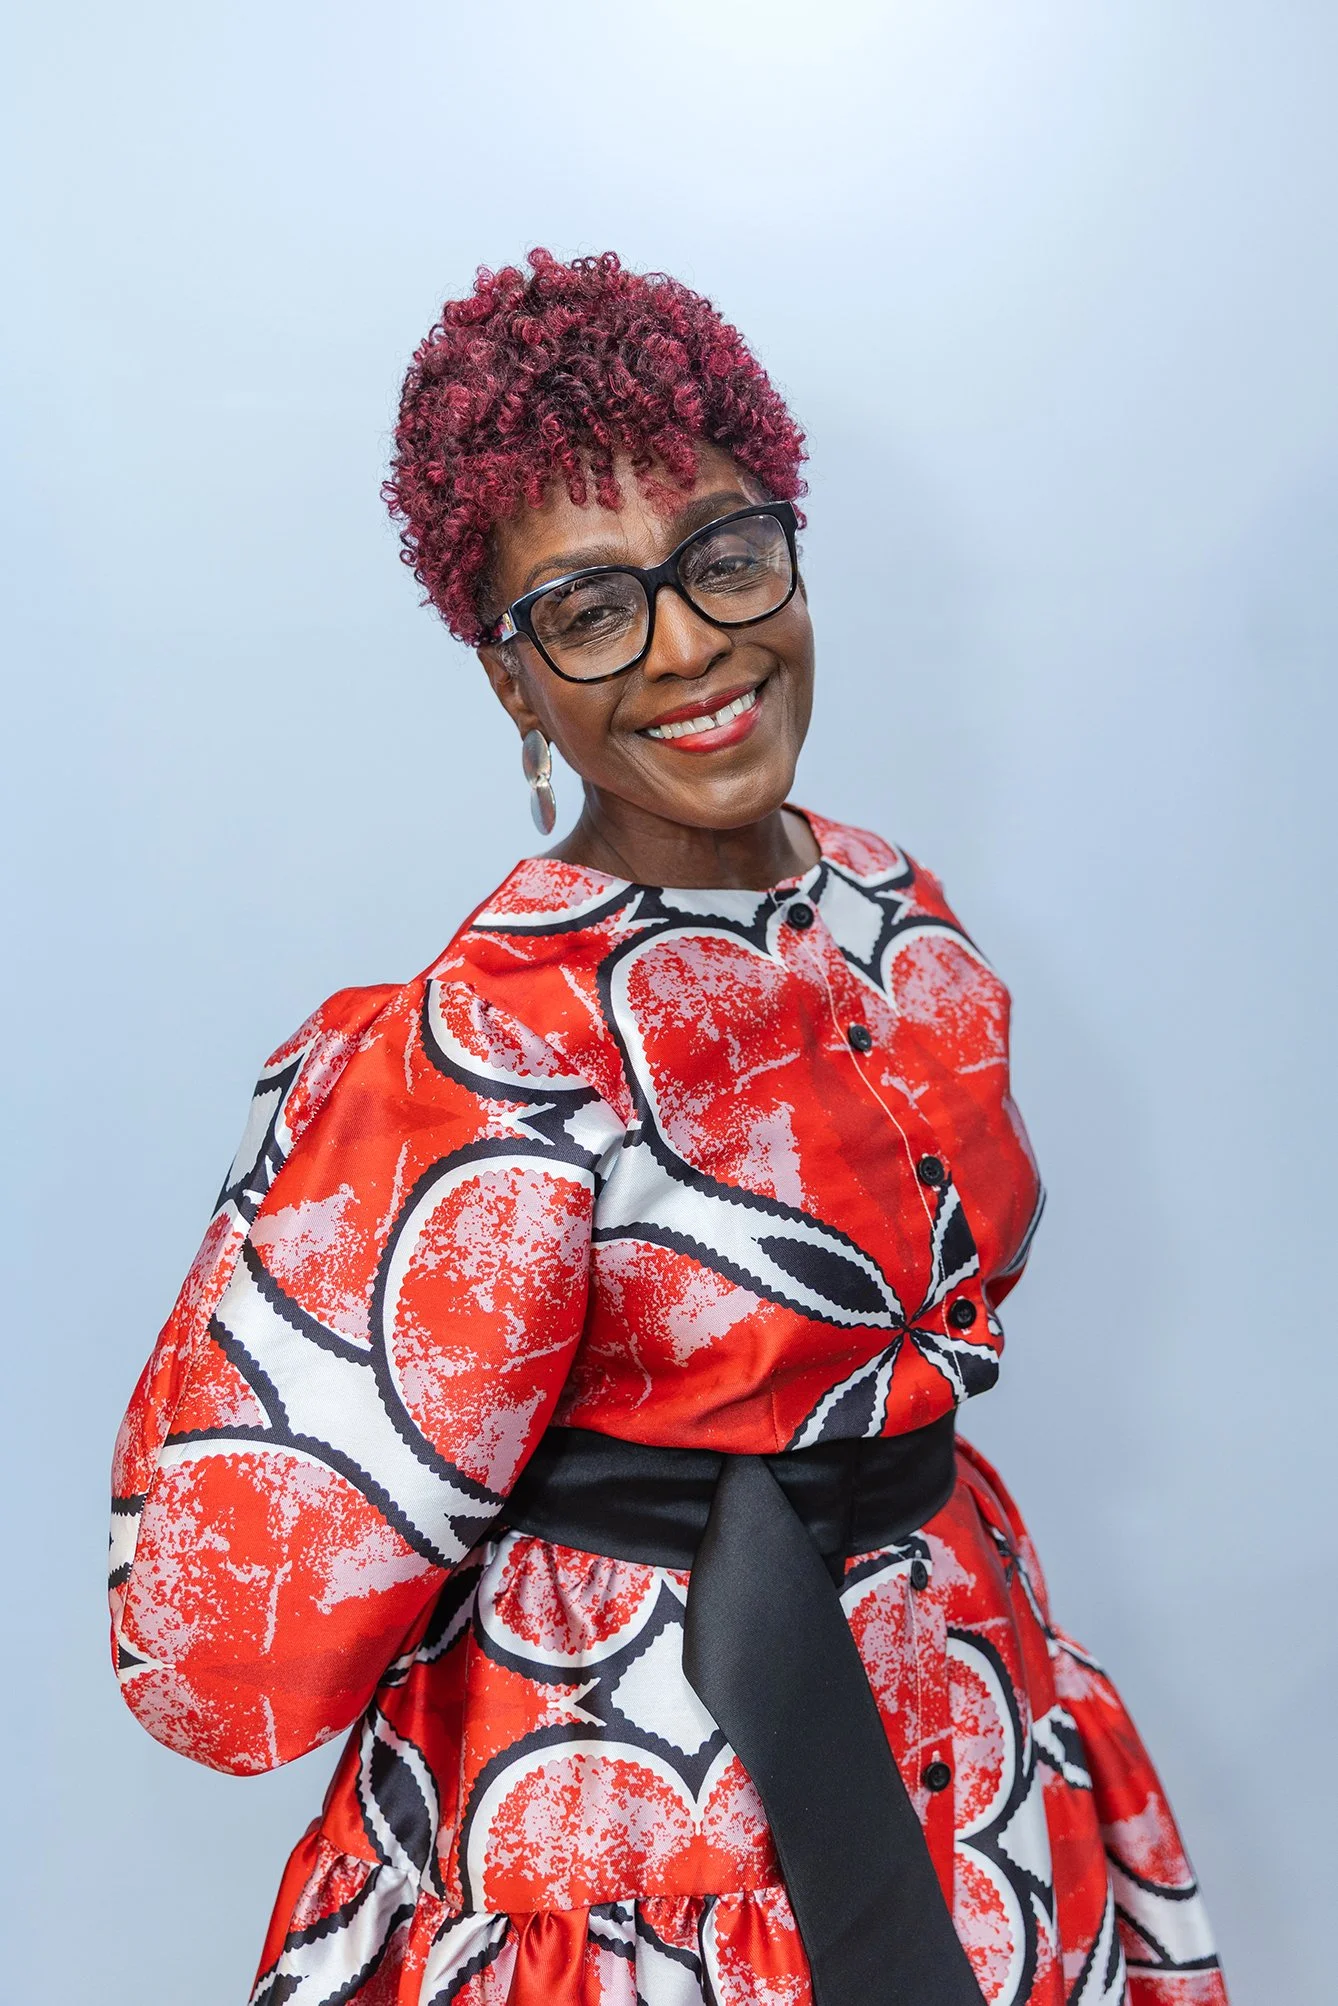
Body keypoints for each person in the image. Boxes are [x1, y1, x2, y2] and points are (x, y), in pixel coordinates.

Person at [110, 250, 1228, 2006]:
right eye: (585, 607)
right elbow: (219, 1649)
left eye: (721, 554)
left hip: (969, 1731)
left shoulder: (892, 910)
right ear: (510, 683)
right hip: (631, 1856)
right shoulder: (473, 1052)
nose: (691, 641)